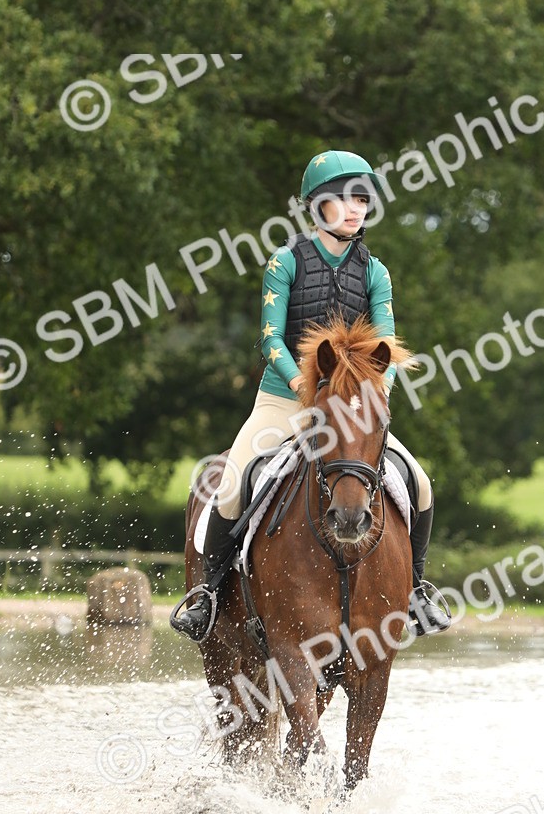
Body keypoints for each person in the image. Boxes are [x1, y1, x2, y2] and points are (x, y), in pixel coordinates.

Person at [171, 149, 452, 642]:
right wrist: (303, 384)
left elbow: (384, 345)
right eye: (343, 199)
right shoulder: (286, 261)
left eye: (361, 199)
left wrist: (371, 398)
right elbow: (270, 338)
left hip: (350, 409)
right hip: (284, 400)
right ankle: (209, 594)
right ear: (317, 205)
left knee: (421, 485)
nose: (354, 209)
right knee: (234, 482)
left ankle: (416, 590)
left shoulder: (375, 272)